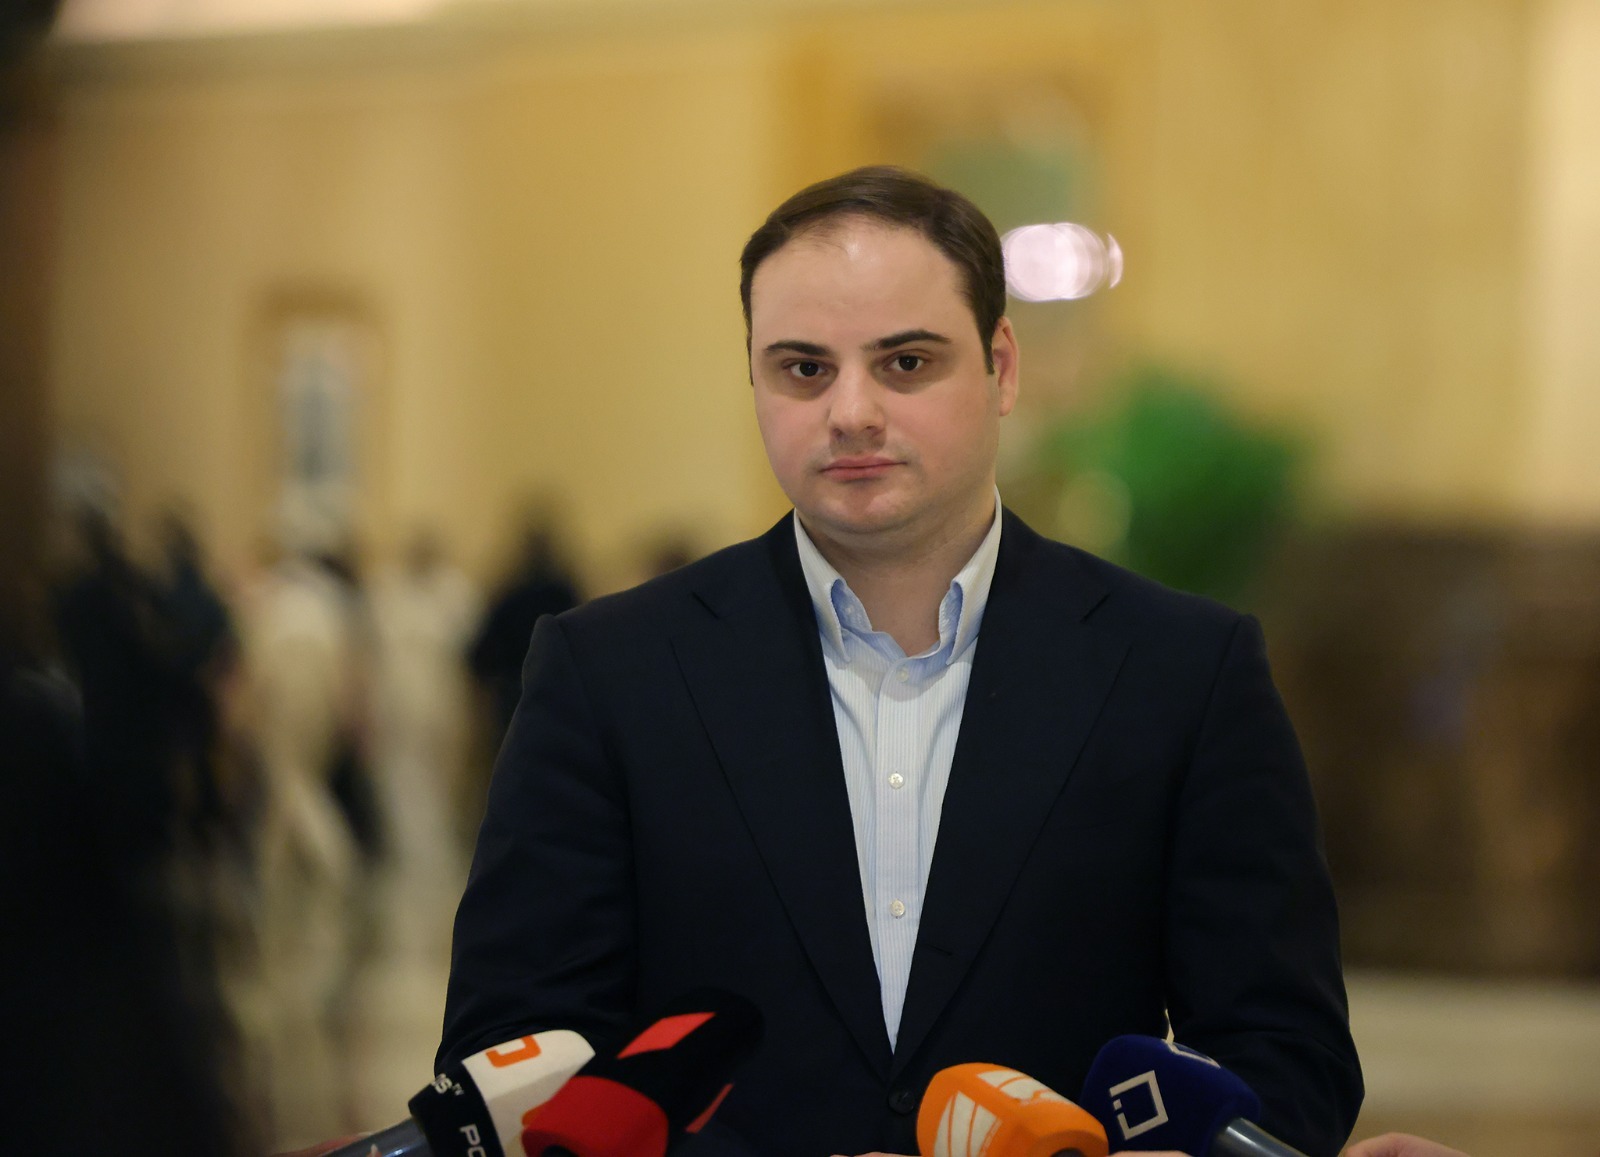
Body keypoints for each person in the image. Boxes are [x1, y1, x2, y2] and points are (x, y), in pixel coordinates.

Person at [438, 167, 1363, 1157]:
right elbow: (514, 1058)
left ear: (1001, 367)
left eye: (906, 362)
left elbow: (1285, 1057)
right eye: (803, 369)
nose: (851, 411)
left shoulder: (1181, 670)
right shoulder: (609, 673)